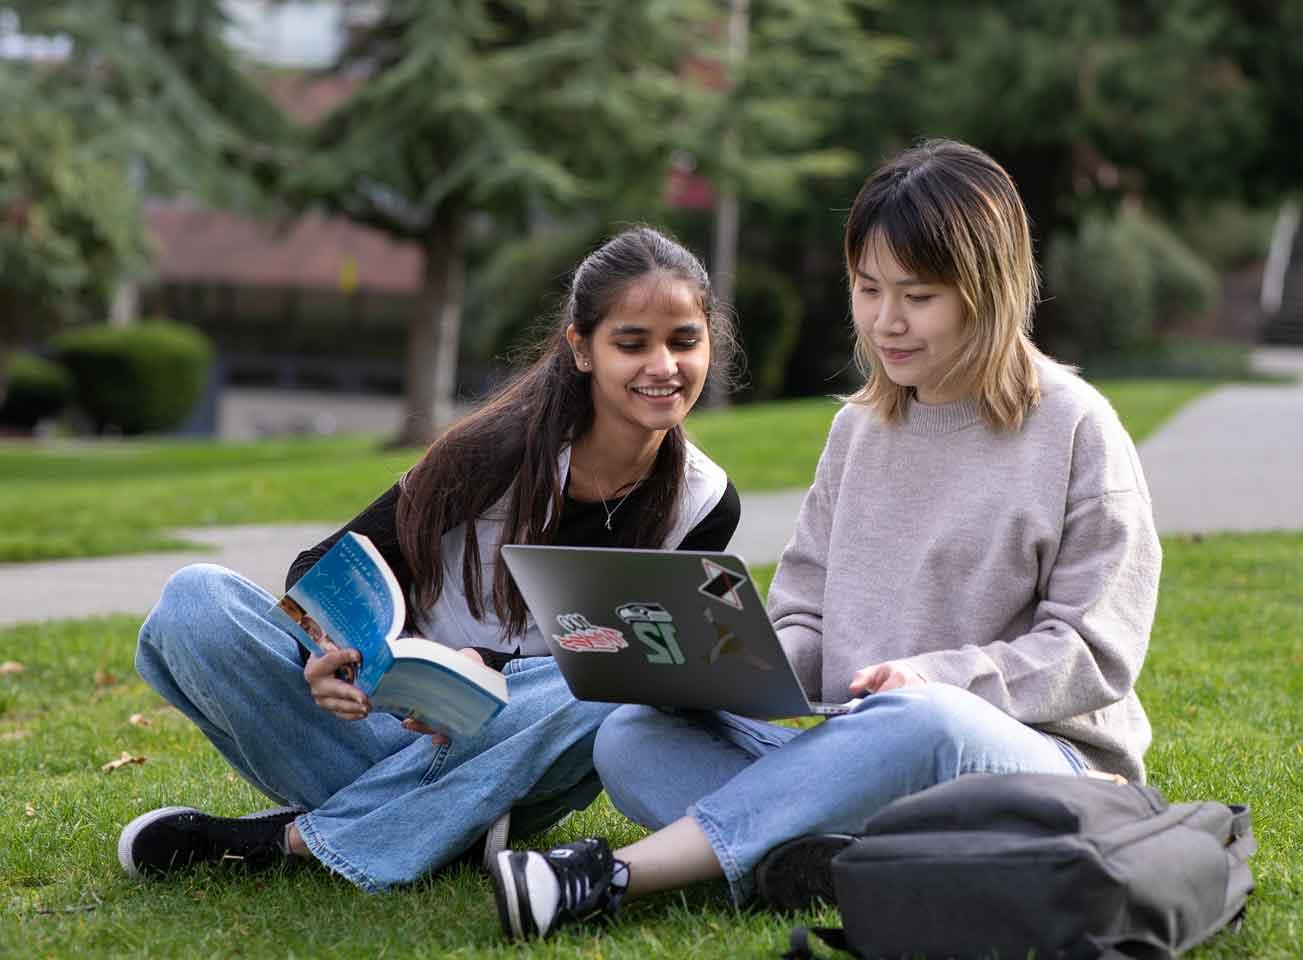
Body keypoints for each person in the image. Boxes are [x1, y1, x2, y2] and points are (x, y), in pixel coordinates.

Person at [487, 140, 1162, 940]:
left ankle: (615, 874)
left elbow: (1095, 650)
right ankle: (847, 861)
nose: (886, 321)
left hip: (1040, 767)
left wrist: (932, 677)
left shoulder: (1077, 426)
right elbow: (804, 617)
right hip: (869, 752)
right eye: (868, 289)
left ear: (989, 290)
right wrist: (723, 672)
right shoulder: (858, 432)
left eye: (918, 295)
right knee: (634, 737)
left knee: (929, 722)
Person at [119, 227, 742, 893]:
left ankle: (287, 840)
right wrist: (323, 647)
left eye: (683, 341)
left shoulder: (704, 503)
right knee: (195, 600)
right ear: (582, 348)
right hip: (375, 724)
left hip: (516, 747)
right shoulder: (493, 451)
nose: (663, 365)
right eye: (632, 342)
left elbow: (645, 661)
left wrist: (489, 673)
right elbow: (325, 563)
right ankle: (436, 823)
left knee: (613, 681)